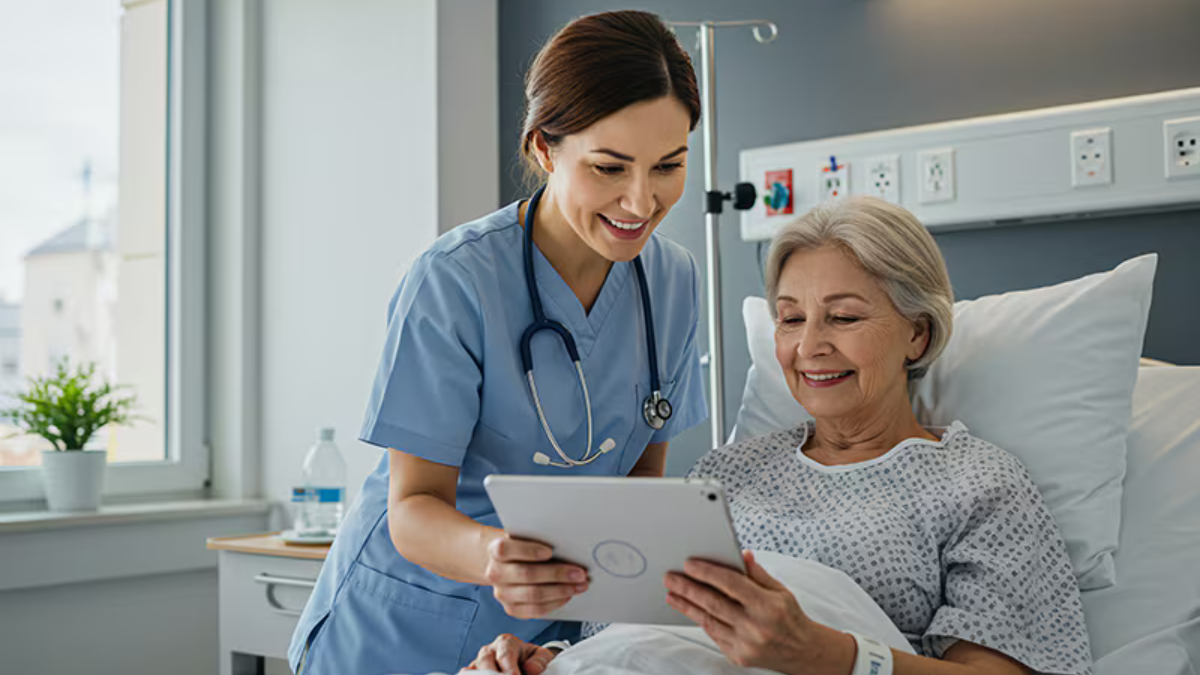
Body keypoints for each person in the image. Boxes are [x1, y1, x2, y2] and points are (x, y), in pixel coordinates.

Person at [467, 196, 1093, 675]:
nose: (809, 346)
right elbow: (633, 641)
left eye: (844, 317)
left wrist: (829, 655)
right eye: (790, 318)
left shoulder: (977, 482)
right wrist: (552, 661)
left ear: (918, 335)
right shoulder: (727, 473)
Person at [286, 10, 709, 675]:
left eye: (668, 165)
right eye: (608, 167)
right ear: (545, 148)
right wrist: (498, 558)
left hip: (537, 643)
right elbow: (414, 508)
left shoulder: (673, 283)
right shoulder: (455, 281)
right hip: (397, 628)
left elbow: (634, 492)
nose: (640, 201)